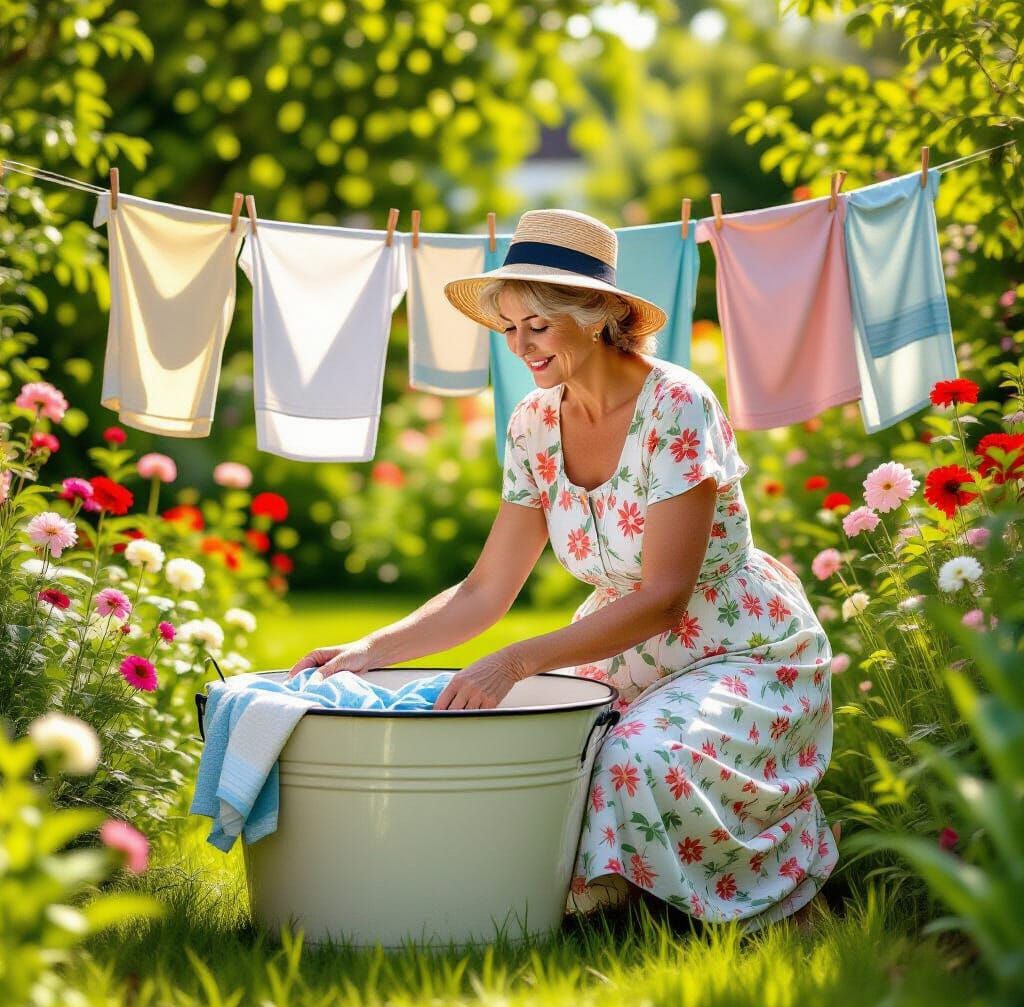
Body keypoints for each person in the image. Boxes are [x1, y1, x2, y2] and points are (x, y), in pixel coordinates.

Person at [288, 208, 840, 932]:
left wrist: (513, 663)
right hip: (621, 651)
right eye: (509, 327)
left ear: (600, 315)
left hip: (738, 648)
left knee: (635, 757)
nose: (519, 346)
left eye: (537, 326)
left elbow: (666, 598)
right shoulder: (533, 424)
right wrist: (371, 650)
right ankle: (568, 909)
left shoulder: (676, 404)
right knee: (526, 748)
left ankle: (690, 918)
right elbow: (488, 589)